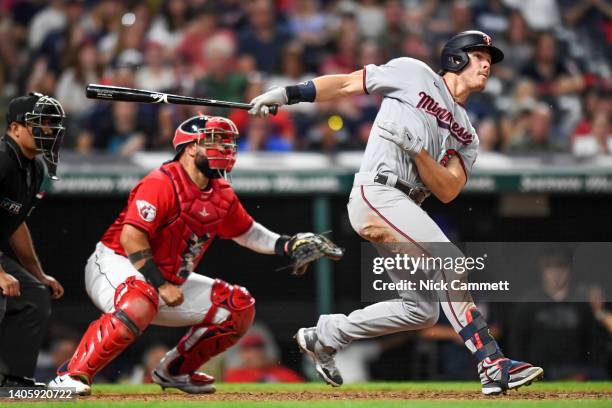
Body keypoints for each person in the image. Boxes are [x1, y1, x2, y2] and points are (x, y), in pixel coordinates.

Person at [249, 30, 543, 395]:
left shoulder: (467, 133)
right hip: (377, 192)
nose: (486, 64)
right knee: (451, 263)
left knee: (421, 311)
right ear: (455, 58)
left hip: (405, 204)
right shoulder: (413, 72)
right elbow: (345, 85)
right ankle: (491, 362)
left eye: (490, 59)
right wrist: (288, 93)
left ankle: (326, 335)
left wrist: (419, 153)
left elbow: (448, 190)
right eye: (479, 55)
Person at [48, 114, 342, 395]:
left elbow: (246, 231)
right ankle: (71, 375)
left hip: (164, 281)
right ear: (189, 148)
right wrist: (160, 284)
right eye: (214, 141)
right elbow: (131, 237)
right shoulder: (161, 182)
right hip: (115, 264)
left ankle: (175, 371)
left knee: (238, 306)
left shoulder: (221, 191)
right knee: (140, 299)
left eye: (227, 142)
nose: (225, 149)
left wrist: (286, 245)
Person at [0, 93, 66, 387]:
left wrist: (38, 273)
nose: (49, 130)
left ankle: (12, 380)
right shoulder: (2, 160)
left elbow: (16, 223)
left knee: (34, 293)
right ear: (15, 128)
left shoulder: (34, 168)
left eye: (52, 124)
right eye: (40, 123)